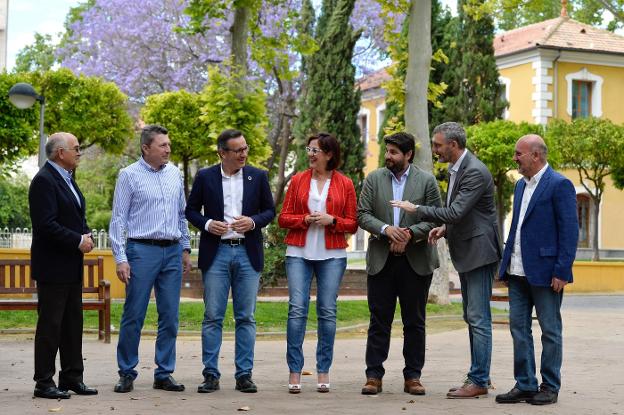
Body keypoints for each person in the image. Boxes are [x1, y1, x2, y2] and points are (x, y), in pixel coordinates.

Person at [391, 121, 501, 398]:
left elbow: (455, 211)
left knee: (478, 318)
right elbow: (463, 215)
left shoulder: (474, 171)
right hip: (468, 251)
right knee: (472, 316)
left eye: (438, 145)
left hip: (479, 253)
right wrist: (445, 230)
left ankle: (478, 380)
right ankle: (479, 376)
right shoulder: (458, 169)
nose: (435, 149)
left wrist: (415, 208)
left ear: (453, 145)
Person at [186, 129, 275, 394]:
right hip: (217, 253)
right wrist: (208, 223)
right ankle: (210, 374)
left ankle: (244, 374)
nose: (244, 154)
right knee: (213, 316)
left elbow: (269, 210)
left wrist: (254, 221)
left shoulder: (258, 176)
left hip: (248, 252)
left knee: (246, 317)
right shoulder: (205, 177)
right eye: (238, 150)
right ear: (222, 153)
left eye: (245, 148)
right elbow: (191, 211)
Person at [495, 134, 578, 406]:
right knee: (519, 329)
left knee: (550, 331)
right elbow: (517, 227)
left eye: (519, 153)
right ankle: (525, 384)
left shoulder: (559, 184)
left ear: (536, 156)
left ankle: (550, 386)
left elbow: (569, 232)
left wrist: (562, 271)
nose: (515, 158)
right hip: (518, 272)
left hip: (547, 273)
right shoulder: (520, 185)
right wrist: (506, 266)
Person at [357, 132, 441, 396]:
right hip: (382, 260)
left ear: (408, 155)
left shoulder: (426, 181)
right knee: (379, 320)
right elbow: (362, 214)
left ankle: (413, 377)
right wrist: (385, 229)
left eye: (394, 152)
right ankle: (373, 376)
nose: (388, 156)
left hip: (415, 261)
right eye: (387, 151)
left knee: (414, 322)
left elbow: (436, 216)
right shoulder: (374, 178)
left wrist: (408, 234)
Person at [110, 125, 192, 393]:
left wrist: (185, 248)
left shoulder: (175, 174)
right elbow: (118, 219)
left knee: (170, 315)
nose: (168, 149)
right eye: (162, 145)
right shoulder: (128, 175)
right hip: (141, 251)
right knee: (134, 313)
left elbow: (182, 215)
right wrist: (121, 257)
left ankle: (164, 373)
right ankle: (126, 371)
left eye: (169, 144)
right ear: (146, 148)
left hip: (171, 252)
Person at [278, 133, 358, 394]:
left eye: (316, 150)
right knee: (297, 310)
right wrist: (305, 219)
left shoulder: (345, 183)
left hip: (332, 255)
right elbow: (283, 218)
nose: (311, 154)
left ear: (329, 154)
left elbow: (352, 223)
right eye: (309, 149)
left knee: (327, 312)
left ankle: (323, 369)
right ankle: (294, 370)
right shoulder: (298, 180)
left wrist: (331, 221)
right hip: (298, 253)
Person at [29, 132, 98, 399]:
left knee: (72, 324)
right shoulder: (44, 181)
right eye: (76, 149)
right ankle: (43, 382)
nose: (79, 153)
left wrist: (86, 234)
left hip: (70, 265)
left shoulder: (68, 179)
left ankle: (71, 377)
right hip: (52, 266)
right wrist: (77, 240)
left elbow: (74, 215)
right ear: (60, 153)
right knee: (50, 326)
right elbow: (45, 225)